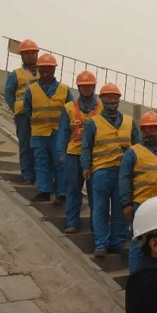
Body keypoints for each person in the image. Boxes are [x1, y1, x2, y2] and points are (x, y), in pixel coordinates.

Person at [81, 83, 141, 258]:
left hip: (123, 173)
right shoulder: (93, 122)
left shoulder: (129, 122)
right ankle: (101, 243)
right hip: (101, 171)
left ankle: (117, 241)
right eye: (108, 97)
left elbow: (138, 147)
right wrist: (86, 166)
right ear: (102, 99)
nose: (112, 101)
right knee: (99, 208)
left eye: (115, 97)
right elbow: (86, 146)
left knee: (119, 209)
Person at [120, 111, 157, 274]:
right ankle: (136, 277)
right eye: (150, 128)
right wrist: (126, 204)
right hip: (142, 206)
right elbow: (124, 179)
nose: (154, 131)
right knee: (140, 243)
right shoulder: (132, 153)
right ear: (143, 130)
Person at [22, 53, 73, 203]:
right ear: (39, 69)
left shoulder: (64, 89)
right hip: (38, 133)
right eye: (43, 69)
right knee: (41, 163)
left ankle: (62, 193)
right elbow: (27, 110)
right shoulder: (31, 90)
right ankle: (44, 191)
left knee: (60, 163)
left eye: (49, 69)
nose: (46, 72)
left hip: (58, 134)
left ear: (54, 70)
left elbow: (71, 110)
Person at [56, 70, 102, 234]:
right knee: (72, 190)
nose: (86, 89)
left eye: (89, 86)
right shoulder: (69, 108)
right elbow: (63, 132)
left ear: (94, 87)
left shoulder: (102, 108)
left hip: (94, 157)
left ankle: (95, 226)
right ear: (79, 88)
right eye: (83, 86)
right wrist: (62, 154)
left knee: (95, 193)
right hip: (73, 155)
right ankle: (72, 223)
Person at [3, 38, 39, 184]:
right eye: (27, 53)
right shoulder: (16, 74)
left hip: (40, 116)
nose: (31, 56)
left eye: (33, 53)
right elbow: (9, 94)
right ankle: (28, 175)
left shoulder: (44, 73)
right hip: (23, 115)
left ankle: (39, 175)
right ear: (22, 56)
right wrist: (16, 108)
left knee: (39, 147)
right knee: (25, 145)